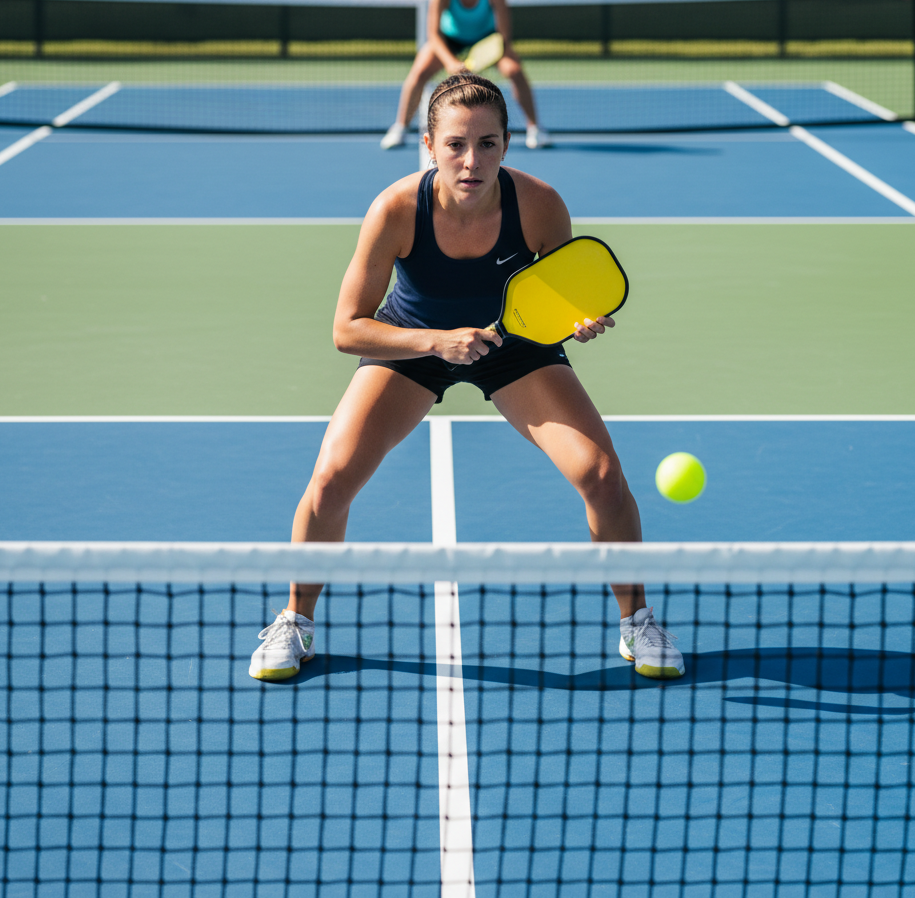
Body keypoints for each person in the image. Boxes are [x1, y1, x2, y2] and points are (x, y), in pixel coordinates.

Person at [250, 72, 682, 683]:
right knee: (332, 477)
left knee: (602, 476)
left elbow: (557, 301)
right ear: (428, 146)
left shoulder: (540, 206)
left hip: (513, 347)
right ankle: (295, 619)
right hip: (415, 342)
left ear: (507, 145)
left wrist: (574, 324)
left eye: (487, 143)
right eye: (456, 144)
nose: (471, 160)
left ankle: (637, 621)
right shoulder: (396, 209)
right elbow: (347, 330)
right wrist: (436, 343)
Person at [380, 0, 550, 151]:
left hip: (488, 40)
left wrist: (483, 57)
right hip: (450, 40)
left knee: (514, 70)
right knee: (419, 71)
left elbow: (504, 36)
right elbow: (433, 34)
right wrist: (451, 62)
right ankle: (400, 127)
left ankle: (535, 129)